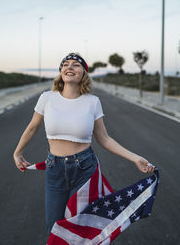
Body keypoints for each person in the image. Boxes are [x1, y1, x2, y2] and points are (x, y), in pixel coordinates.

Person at [13, 52, 154, 242]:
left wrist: (134, 157)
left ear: (83, 74)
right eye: (66, 64)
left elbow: (104, 138)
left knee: (82, 231)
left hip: (85, 170)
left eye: (76, 65)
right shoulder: (47, 98)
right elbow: (32, 128)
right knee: (54, 228)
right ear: (61, 71)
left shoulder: (92, 102)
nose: (70, 67)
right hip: (55, 169)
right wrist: (18, 151)